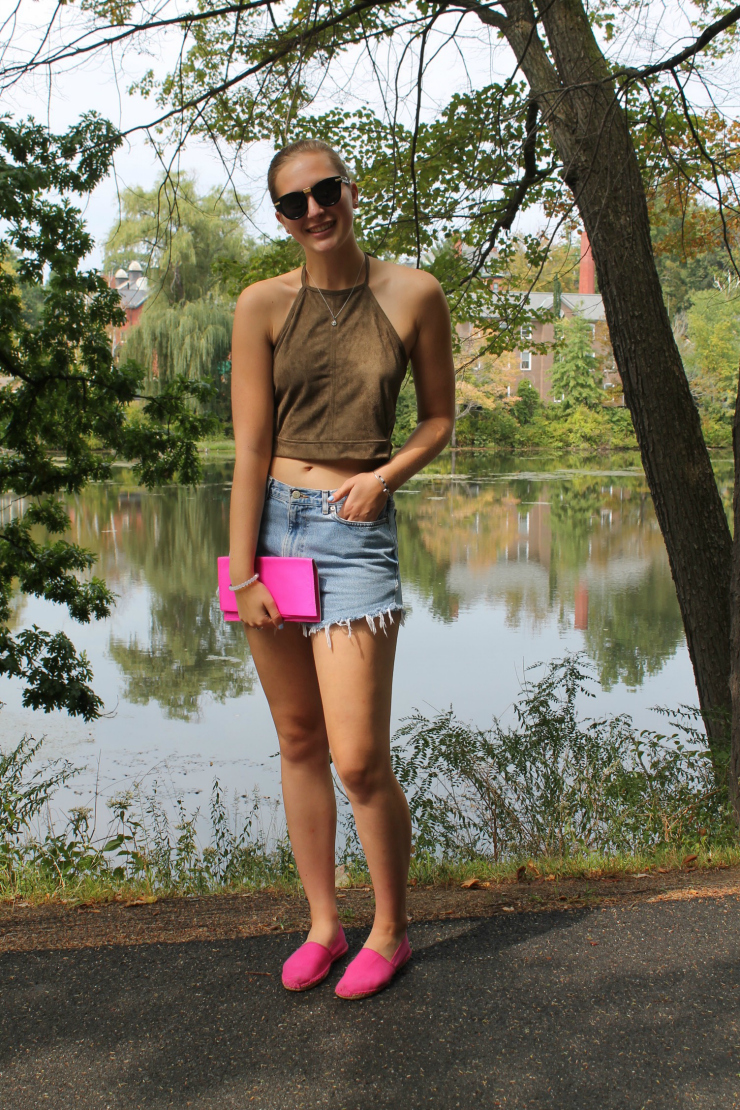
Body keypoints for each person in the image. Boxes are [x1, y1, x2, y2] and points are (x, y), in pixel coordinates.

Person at [229, 139, 455, 999]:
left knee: (359, 757)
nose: (314, 209)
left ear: (350, 192)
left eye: (325, 191)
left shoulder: (413, 292)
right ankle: (324, 924)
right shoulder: (261, 305)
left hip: (354, 534)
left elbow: (438, 422)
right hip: (274, 535)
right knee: (298, 740)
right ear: (279, 217)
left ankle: (389, 929)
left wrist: (383, 476)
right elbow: (251, 446)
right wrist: (242, 565)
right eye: (294, 202)